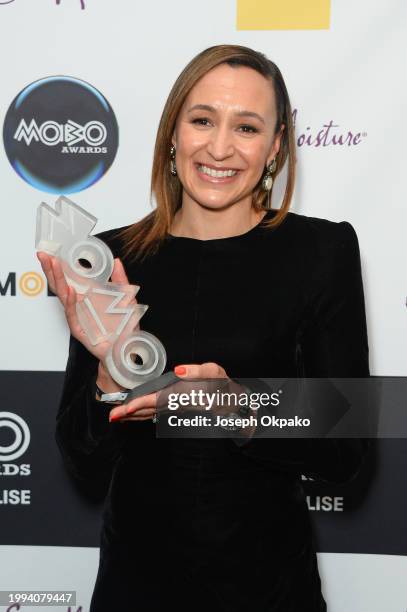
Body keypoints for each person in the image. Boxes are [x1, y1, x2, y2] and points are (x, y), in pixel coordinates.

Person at [37, 44, 370, 611]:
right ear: (173, 133)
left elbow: (347, 452)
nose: (220, 147)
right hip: (134, 588)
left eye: (246, 126)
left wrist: (238, 411)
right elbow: (82, 463)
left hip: (268, 589)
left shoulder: (322, 251)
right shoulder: (112, 259)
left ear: (275, 147)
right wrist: (110, 376)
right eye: (202, 120)